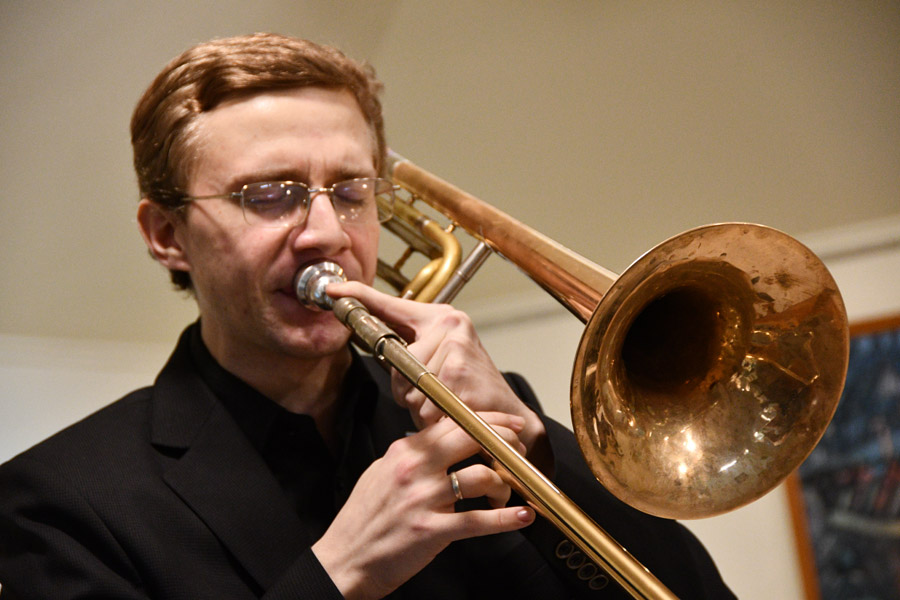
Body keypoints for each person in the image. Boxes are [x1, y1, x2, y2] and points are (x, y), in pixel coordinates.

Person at [0, 33, 735, 599]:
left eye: (351, 192)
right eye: (269, 195)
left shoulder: (491, 429)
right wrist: (336, 576)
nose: (327, 232)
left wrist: (536, 447)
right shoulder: (61, 502)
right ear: (167, 234)